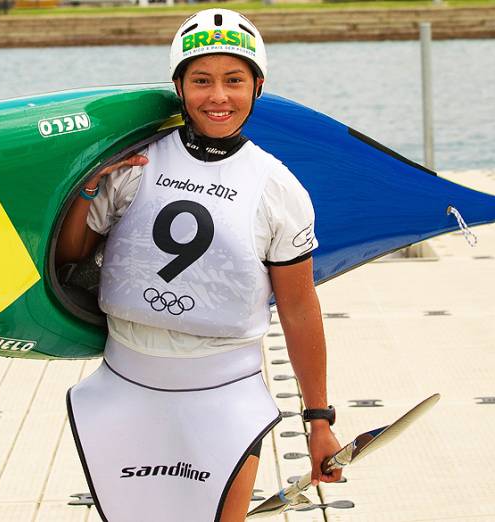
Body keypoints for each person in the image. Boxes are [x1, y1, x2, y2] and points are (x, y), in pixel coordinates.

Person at [58, 9, 342, 522]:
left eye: (234, 81)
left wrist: (318, 419)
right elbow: (72, 258)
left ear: (257, 86)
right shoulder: (134, 165)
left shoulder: (278, 188)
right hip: (124, 386)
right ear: (178, 86)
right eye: (201, 81)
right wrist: (87, 185)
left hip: (224, 396)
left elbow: (299, 308)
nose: (218, 97)